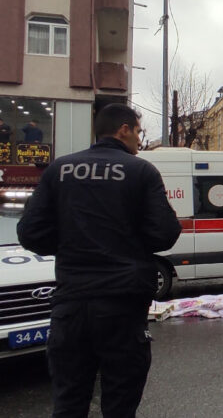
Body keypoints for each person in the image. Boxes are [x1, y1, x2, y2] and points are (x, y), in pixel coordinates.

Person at [17, 103, 182, 418]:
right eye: (138, 131)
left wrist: (71, 243)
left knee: (68, 404)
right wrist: (128, 241)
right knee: (120, 405)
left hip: (71, 305)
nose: (139, 139)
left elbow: (30, 234)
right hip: (122, 308)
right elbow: (165, 233)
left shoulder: (59, 170)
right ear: (123, 130)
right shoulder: (140, 170)